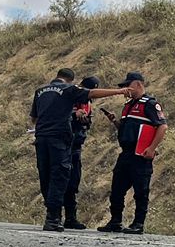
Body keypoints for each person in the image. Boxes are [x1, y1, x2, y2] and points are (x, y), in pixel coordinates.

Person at [29, 68, 121, 231]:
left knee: (46, 176)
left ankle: (56, 215)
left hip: (42, 139)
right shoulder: (68, 90)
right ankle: (53, 218)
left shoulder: (40, 91)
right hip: (60, 139)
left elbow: (34, 118)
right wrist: (119, 91)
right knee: (60, 176)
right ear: (71, 80)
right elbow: (92, 93)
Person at [100, 71, 167, 235]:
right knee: (117, 190)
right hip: (126, 153)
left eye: (127, 86)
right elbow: (125, 130)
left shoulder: (149, 104)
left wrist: (151, 148)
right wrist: (115, 121)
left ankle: (138, 223)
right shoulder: (128, 106)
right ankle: (115, 221)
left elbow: (162, 126)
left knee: (141, 191)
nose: (125, 90)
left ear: (138, 84)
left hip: (141, 155)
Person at [60, 76, 100, 230]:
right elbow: (59, 116)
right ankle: (54, 216)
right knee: (59, 180)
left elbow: (87, 124)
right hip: (63, 145)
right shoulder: (69, 97)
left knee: (73, 181)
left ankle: (71, 217)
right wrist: (74, 115)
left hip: (76, 145)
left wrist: (84, 120)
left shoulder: (88, 103)